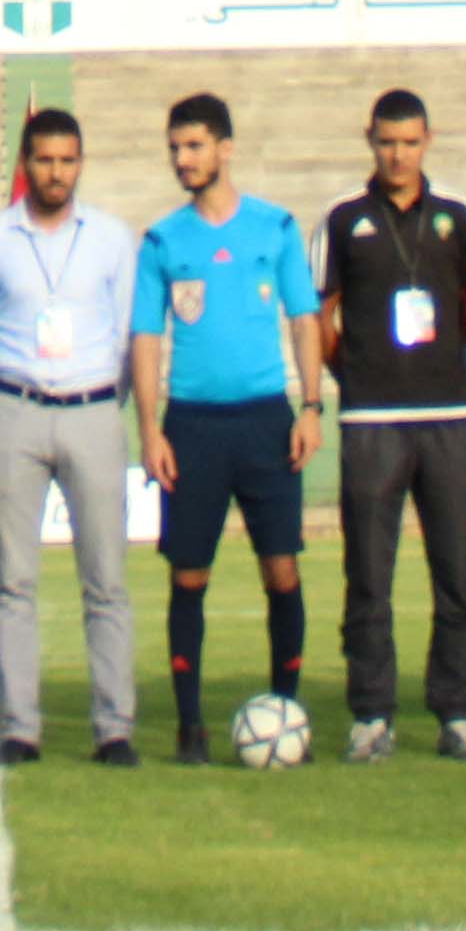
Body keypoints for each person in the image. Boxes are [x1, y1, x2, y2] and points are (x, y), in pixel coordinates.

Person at [136, 95, 322, 762]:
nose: (182, 160)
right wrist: (151, 430)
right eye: (175, 148)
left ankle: (287, 709)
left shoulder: (274, 229)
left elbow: (304, 320)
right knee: (189, 577)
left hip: (266, 422)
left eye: (194, 146)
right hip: (191, 426)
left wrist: (310, 409)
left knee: (282, 572)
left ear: (225, 148)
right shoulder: (162, 240)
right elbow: (147, 338)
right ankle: (190, 726)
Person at [0, 107, 144, 765]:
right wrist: (7, 407)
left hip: (95, 410)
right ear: (24, 163)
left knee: (106, 580)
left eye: (68, 160)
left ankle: (114, 728)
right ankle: (19, 729)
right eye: (44, 159)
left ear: (80, 164)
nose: (56, 172)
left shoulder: (112, 239)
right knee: (14, 580)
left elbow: (129, 337)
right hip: (15, 411)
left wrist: (101, 401)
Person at [318, 88, 466, 761]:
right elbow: (318, 316)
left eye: (410, 142)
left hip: (448, 414)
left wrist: (438, 358)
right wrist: (352, 374)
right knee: (369, 575)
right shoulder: (342, 220)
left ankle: (459, 712)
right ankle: (372, 716)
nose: (398, 154)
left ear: (428, 142)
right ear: (370, 140)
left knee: (458, 573)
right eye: (387, 142)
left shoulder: (457, 218)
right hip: (372, 421)